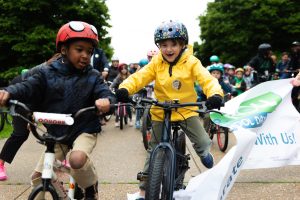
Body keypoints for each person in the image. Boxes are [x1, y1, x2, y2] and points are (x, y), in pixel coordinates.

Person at [0, 21, 116, 199]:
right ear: (63, 50)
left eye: (89, 52)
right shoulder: (46, 73)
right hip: (57, 132)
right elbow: (27, 86)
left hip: (83, 128)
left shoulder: (93, 76)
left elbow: (105, 93)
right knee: (39, 178)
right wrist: (8, 92)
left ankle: (90, 187)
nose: (85, 55)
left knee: (76, 160)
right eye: (79, 49)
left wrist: (106, 101)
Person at [115, 20, 223, 199]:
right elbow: (139, 77)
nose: (169, 49)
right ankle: (143, 191)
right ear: (159, 47)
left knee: (203, 142)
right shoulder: (156, 62)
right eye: (164, 45)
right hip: (161, 110)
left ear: (182, 45)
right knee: (153, 150)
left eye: (174, 44)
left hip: (185, 110)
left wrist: (215, 94)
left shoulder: (192, 62)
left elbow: (207, 79)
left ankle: (203, 152)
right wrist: (125, 88)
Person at [0, 54, 61, 181]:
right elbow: (31, 91)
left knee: (58, 127)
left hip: (39, 98)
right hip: (21, 91)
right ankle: (0, 163)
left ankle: (60, 159)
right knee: (21, 133)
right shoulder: (46, 70)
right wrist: (31, 116)